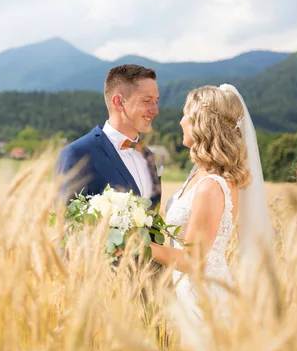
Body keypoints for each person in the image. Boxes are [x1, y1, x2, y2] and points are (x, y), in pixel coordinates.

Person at [150, 84, 274, 324]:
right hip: (185, 288)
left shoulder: (210, 186)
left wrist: (137, 244)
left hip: (201, 296)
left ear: (202, 123)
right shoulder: (199, 173)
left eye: (186, 114)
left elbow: (191, 260)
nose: (180, 122)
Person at [54, 64, 162, 209]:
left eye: (156, 101)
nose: (155, 110)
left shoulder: (147, 155)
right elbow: (66, 223)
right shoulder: (78, 154)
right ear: (119, 102)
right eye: (147, 101)